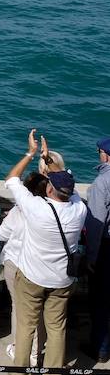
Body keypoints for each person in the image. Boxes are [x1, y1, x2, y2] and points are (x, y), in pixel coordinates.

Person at [4, 130, 87, 375]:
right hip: (62, 280)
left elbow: (12, 179)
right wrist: (50, 159)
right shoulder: (79, 209)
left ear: (49, 187)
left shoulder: (36, 207)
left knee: (26, 328)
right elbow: (64, 183)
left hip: (31, 278)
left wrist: (32, 154)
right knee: (57, 330)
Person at [0, 172, 47, 363]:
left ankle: (22, 350)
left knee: (19, 309)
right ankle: (36, 349)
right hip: (41, 266)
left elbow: (2, 234)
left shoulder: (19, 210)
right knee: (40, 309)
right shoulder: (52, 210)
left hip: (17, 264)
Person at [85, 136, 110, 363]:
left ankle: (101, 349)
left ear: (105, 155)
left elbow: (96, 224)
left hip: (107, 249)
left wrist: (91, 256)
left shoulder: (102, 183)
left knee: (102, 299)